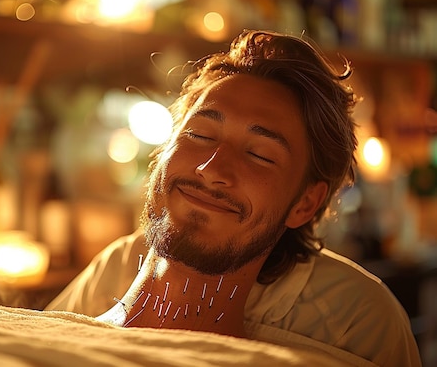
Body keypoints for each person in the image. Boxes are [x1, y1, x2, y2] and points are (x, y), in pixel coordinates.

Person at [45, 30, 422, 366]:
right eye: (200, 136)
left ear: (304, 204)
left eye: (260, 155)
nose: (212, 169)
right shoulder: (105, 276)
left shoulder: (355, 320)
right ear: (161, 153)